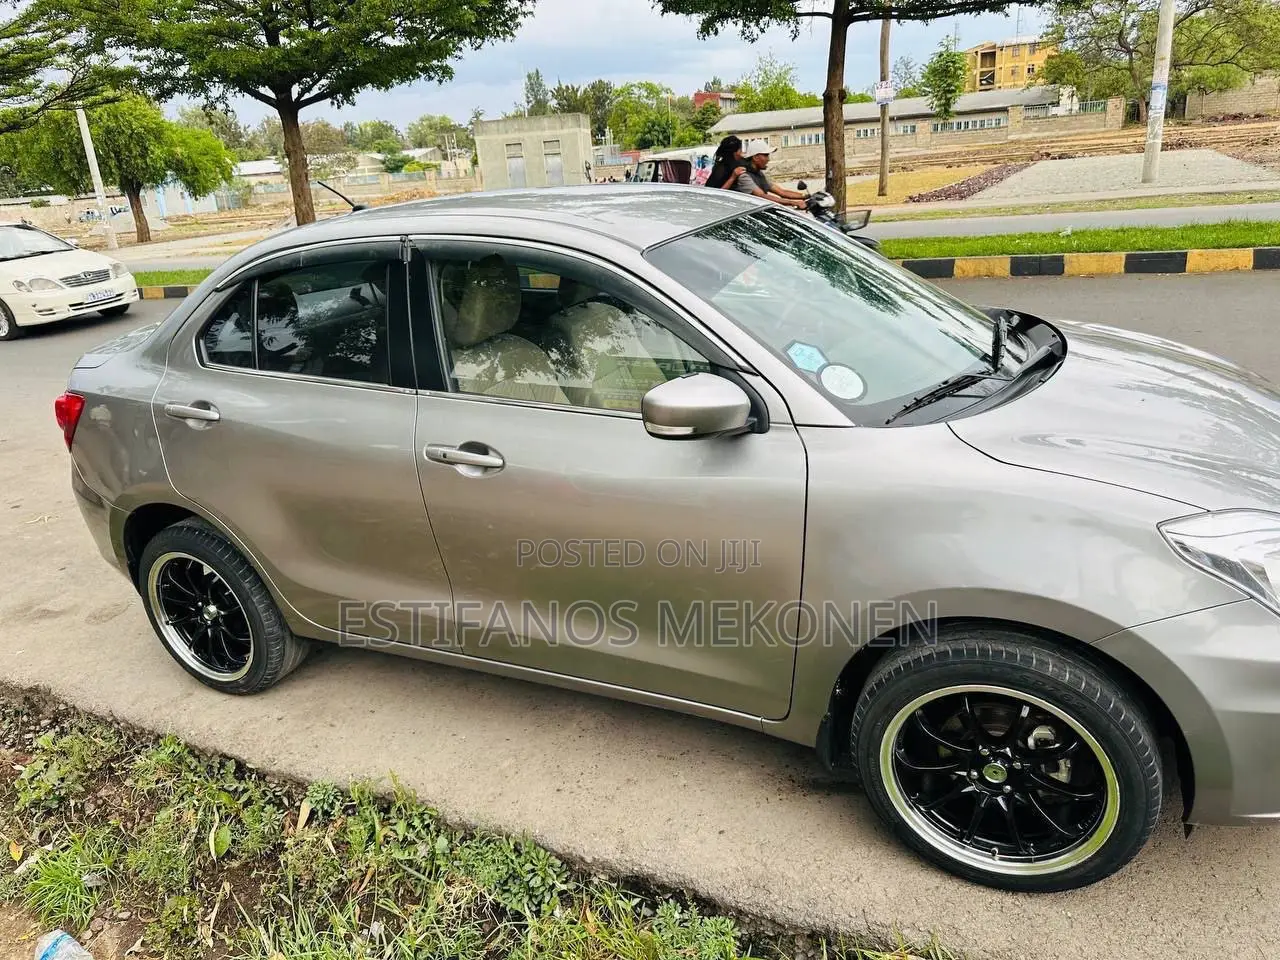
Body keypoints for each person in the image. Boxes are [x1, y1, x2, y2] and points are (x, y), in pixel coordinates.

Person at [732, 140, 808, 209]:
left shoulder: (759, 173)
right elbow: (762, 196)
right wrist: (793, 203)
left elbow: (782, 192)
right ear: (755, 157)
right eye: (766, 155)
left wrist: (806, 196)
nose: (768, 159)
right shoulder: (744, 176)